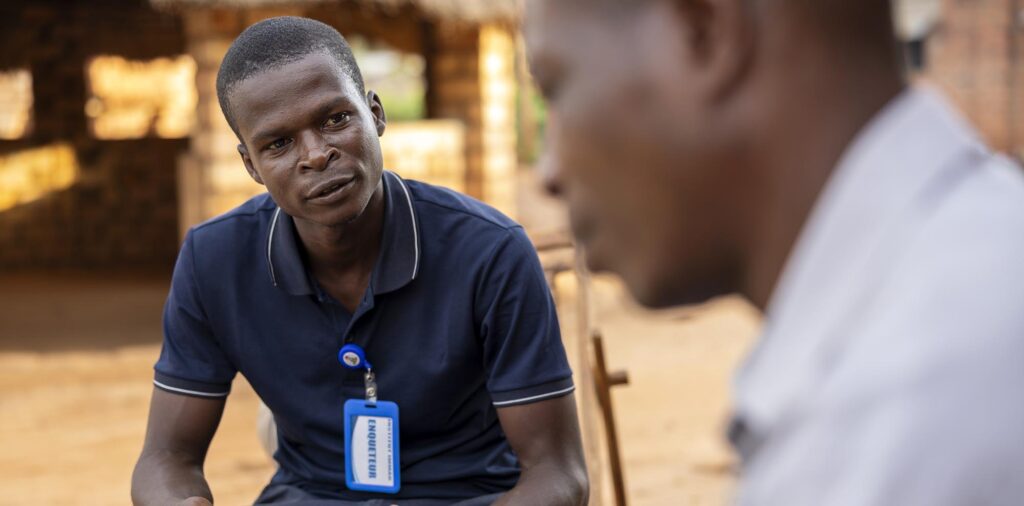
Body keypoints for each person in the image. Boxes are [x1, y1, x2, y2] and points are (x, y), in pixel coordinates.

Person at [524, 0, 1024, 504]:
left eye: (555, 89)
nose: (549, 172)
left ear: (704, 33)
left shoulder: (888, 423)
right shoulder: (980, 259)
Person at [131, 16, 588, 506]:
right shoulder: (213, 261)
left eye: (335, 120)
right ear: (251, 166)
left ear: (375, 115)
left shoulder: (490, 253)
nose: (316, 155)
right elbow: (166, 459)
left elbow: (557, 473)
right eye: (278, 144)